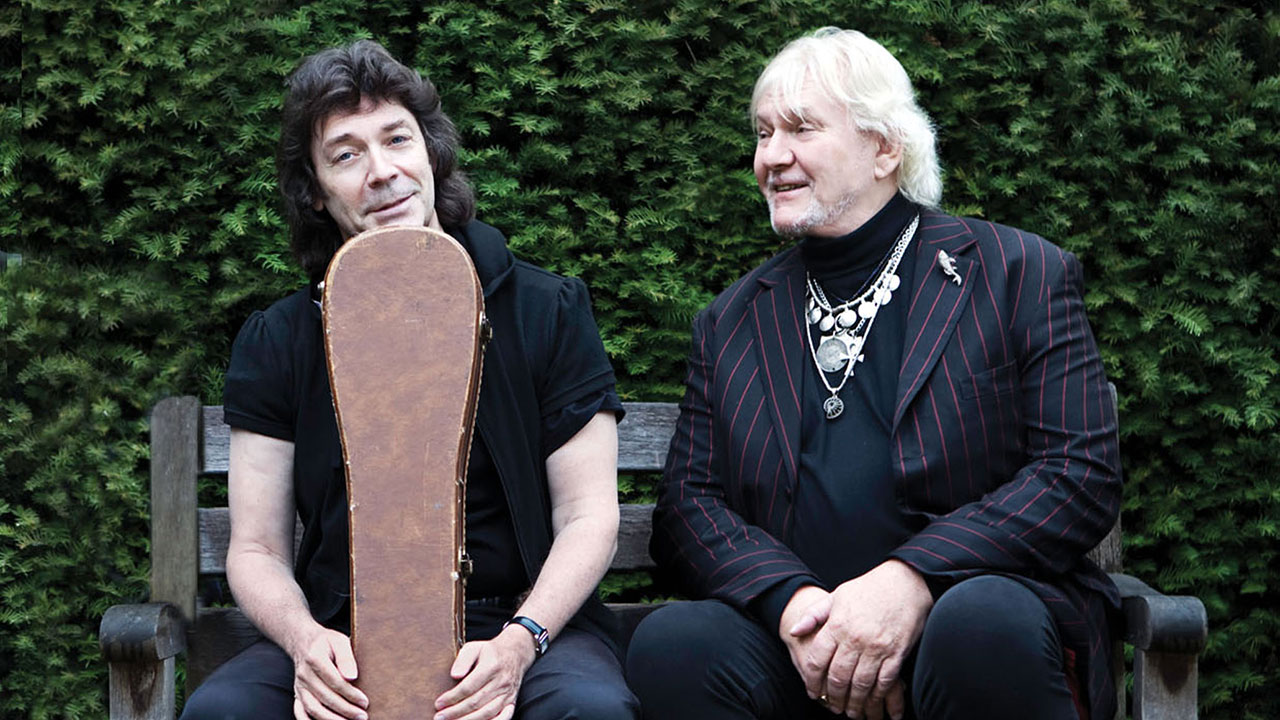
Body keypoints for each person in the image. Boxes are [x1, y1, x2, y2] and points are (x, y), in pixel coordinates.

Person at [626, 27, 1121, 720]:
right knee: (676, 642)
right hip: (800, 651)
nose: (772, 156)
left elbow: (1078, 474)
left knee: (979, 623)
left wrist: (911, 580)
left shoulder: (1017, 273)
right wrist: (792, 604)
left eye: (800, 128)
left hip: (967, 632)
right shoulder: (733, 319)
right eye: (763, 133)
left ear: (886, 147)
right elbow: (689, 509)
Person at [181, 40, 639, 720]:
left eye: (397, 140)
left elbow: (588, 515)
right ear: (314, 191)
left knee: (590, 713)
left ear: (430, 155)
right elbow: (256, 547)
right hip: (343, 637)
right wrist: (305, 643)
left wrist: (522, 642)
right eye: (345, 154)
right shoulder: (277, 340)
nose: (382, 172)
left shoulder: (547, 310)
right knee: (223, 714)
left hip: (522, 625)